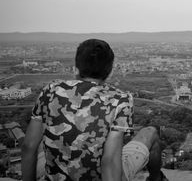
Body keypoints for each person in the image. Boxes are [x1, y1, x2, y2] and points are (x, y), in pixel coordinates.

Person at [22, 39, 168, 181]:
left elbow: (29, 146)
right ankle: (156, 178)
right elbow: (109, 161)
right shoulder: (120, 100)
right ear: (110, 71)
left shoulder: (50, 90)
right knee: (151, 133)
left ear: (76, 68)